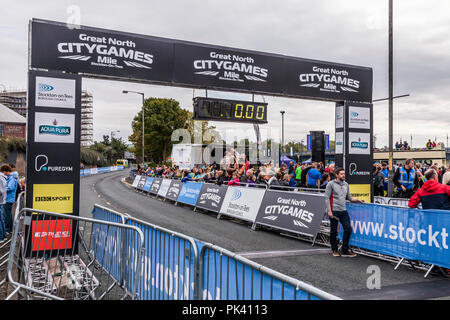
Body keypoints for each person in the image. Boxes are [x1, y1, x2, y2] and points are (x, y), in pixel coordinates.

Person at [325, 168, 364, 258]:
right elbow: (326, 198)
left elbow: (349, 197)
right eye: (341, 174)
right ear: (337, 175)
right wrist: (329, 210)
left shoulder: (346, 184)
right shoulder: (330, 184)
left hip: (343, 211)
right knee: (334, 231)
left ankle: (344, 250)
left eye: (344, 174)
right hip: (334, 210)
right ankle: (334, 249)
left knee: (348, 229)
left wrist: (357, 200)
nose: (343, 175)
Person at [4, 165, 18, 234]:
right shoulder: (11, 177)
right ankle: (9, 229)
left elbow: (10, 188)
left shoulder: (12, 178)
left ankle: (8, 229)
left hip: (8, 198)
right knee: (8, 214)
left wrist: (2, 189)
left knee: (7, 215)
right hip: (8, 198)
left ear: (6, 171)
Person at [0, 165, 10, 243]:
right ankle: (3, 236)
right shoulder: (3, 178)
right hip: (2, 201)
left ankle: (1, 237)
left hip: (1, 201)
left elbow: (1, 191)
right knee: (1, 219)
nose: (9, 173)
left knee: (1, 219)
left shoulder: (1, 178)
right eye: (8, 172)